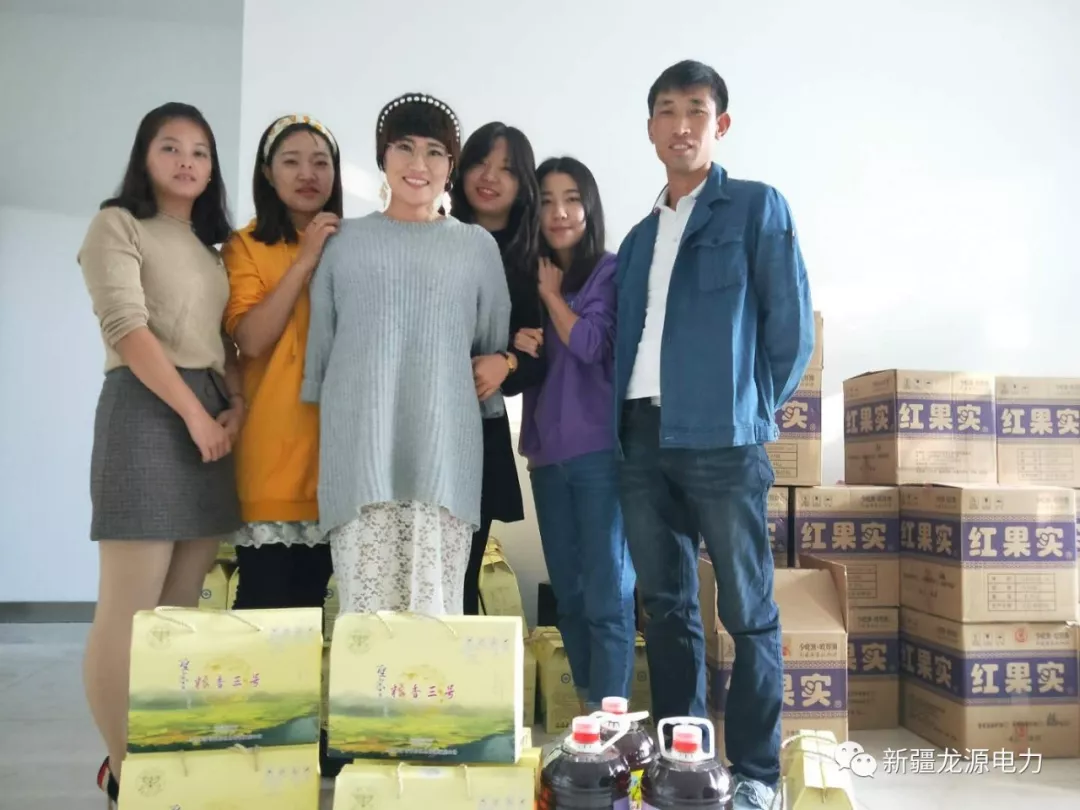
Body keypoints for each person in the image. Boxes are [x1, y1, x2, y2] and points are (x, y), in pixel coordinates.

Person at [612, 60, 814, 810]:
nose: (681, 125)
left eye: (696, 110)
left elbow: (790, 330)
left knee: (748, 612)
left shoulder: (755, 208)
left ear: (719, 124)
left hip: (724, 442)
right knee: (666, 609)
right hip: (641, 437)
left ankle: (758, 774)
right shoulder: (639, 237)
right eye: (666, 111)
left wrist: (748, 409)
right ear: (650, 129)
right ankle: (682, 766)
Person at [77, 102, 243, 805]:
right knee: (129, 612)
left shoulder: (211, 250)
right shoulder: (116, 224)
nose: (186, 161)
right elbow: (127, 327)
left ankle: (162, 757)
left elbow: (222, 340)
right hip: (147, 409)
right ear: (144, 157)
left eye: (200, 151)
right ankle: (127, 774)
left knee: (177, 614)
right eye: (170, 147)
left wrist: (233, 406)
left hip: (207, 414)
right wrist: (193, 414)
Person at [301, 92, 511, 616]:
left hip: (445, 458)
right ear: (383, 157)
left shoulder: (476, 247)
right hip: (359, 458)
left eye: (435, 151)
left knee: (437, 621)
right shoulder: (342, 242)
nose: (419, 163)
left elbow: (489, 347)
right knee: (365, 622)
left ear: (451, 166)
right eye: (405, 147)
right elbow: (321, 350)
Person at [514, 157, 636, 712]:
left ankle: (611, 724)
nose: (559, 212)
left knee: (608, 594)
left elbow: (589, 345)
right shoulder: (527, 277)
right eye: (546, 201)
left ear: (589, 207)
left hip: (598, 455)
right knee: (569, 595)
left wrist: (552, 296)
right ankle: (589, 715)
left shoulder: (608, 272)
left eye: (571, 199)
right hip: (546, 455)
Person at [222, 114, 342, 611]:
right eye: (291, 162)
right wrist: (306, 258)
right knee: (264, 611)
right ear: (268, 174)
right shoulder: (245, 246)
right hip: (270, 456)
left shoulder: (352, 245)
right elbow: (251, 339)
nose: (307, 174)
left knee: (314, 615)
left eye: (320, 162)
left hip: (338, 461)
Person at [448, 122, 543, 615]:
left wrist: (507, 362)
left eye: (505, 169)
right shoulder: (435, 234)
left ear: (523, 184)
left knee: (461, 578)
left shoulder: (533, 259)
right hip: (416, 422)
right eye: (481, 163)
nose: (489, 177)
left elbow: (541, 349)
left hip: (477, 428)